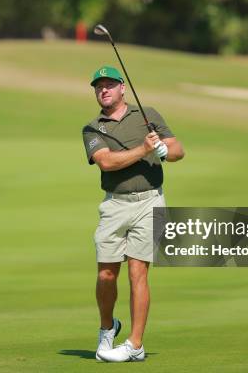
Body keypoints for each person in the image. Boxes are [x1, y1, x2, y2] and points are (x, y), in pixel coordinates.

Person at [81, 66, 185, 362]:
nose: (104, 90)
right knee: (106, 274)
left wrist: (164, 149)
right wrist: (144, 149)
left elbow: (179, 149)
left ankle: (135, 345)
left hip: (150, 201)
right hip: (115, 205)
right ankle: (107, 327)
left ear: (122, 88)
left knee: (138, 272)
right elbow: (107, 163)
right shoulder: (93, 128)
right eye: (99, 86)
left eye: (109, 85)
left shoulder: (146, 114)